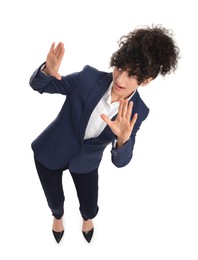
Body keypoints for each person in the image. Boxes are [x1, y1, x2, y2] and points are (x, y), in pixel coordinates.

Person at [29, 24, 179, 243]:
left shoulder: (138, 111)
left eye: (132, 75)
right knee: (54, 197)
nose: (119, 79)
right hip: (51, 149)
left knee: (89, 204)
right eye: (120, 67)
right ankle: (57, 216)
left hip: (86, 163)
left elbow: (120, 162)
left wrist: (123, 140)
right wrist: (46, 72)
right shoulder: (88, 78)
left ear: (146, 81)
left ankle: (87, 219)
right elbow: (40, 86)